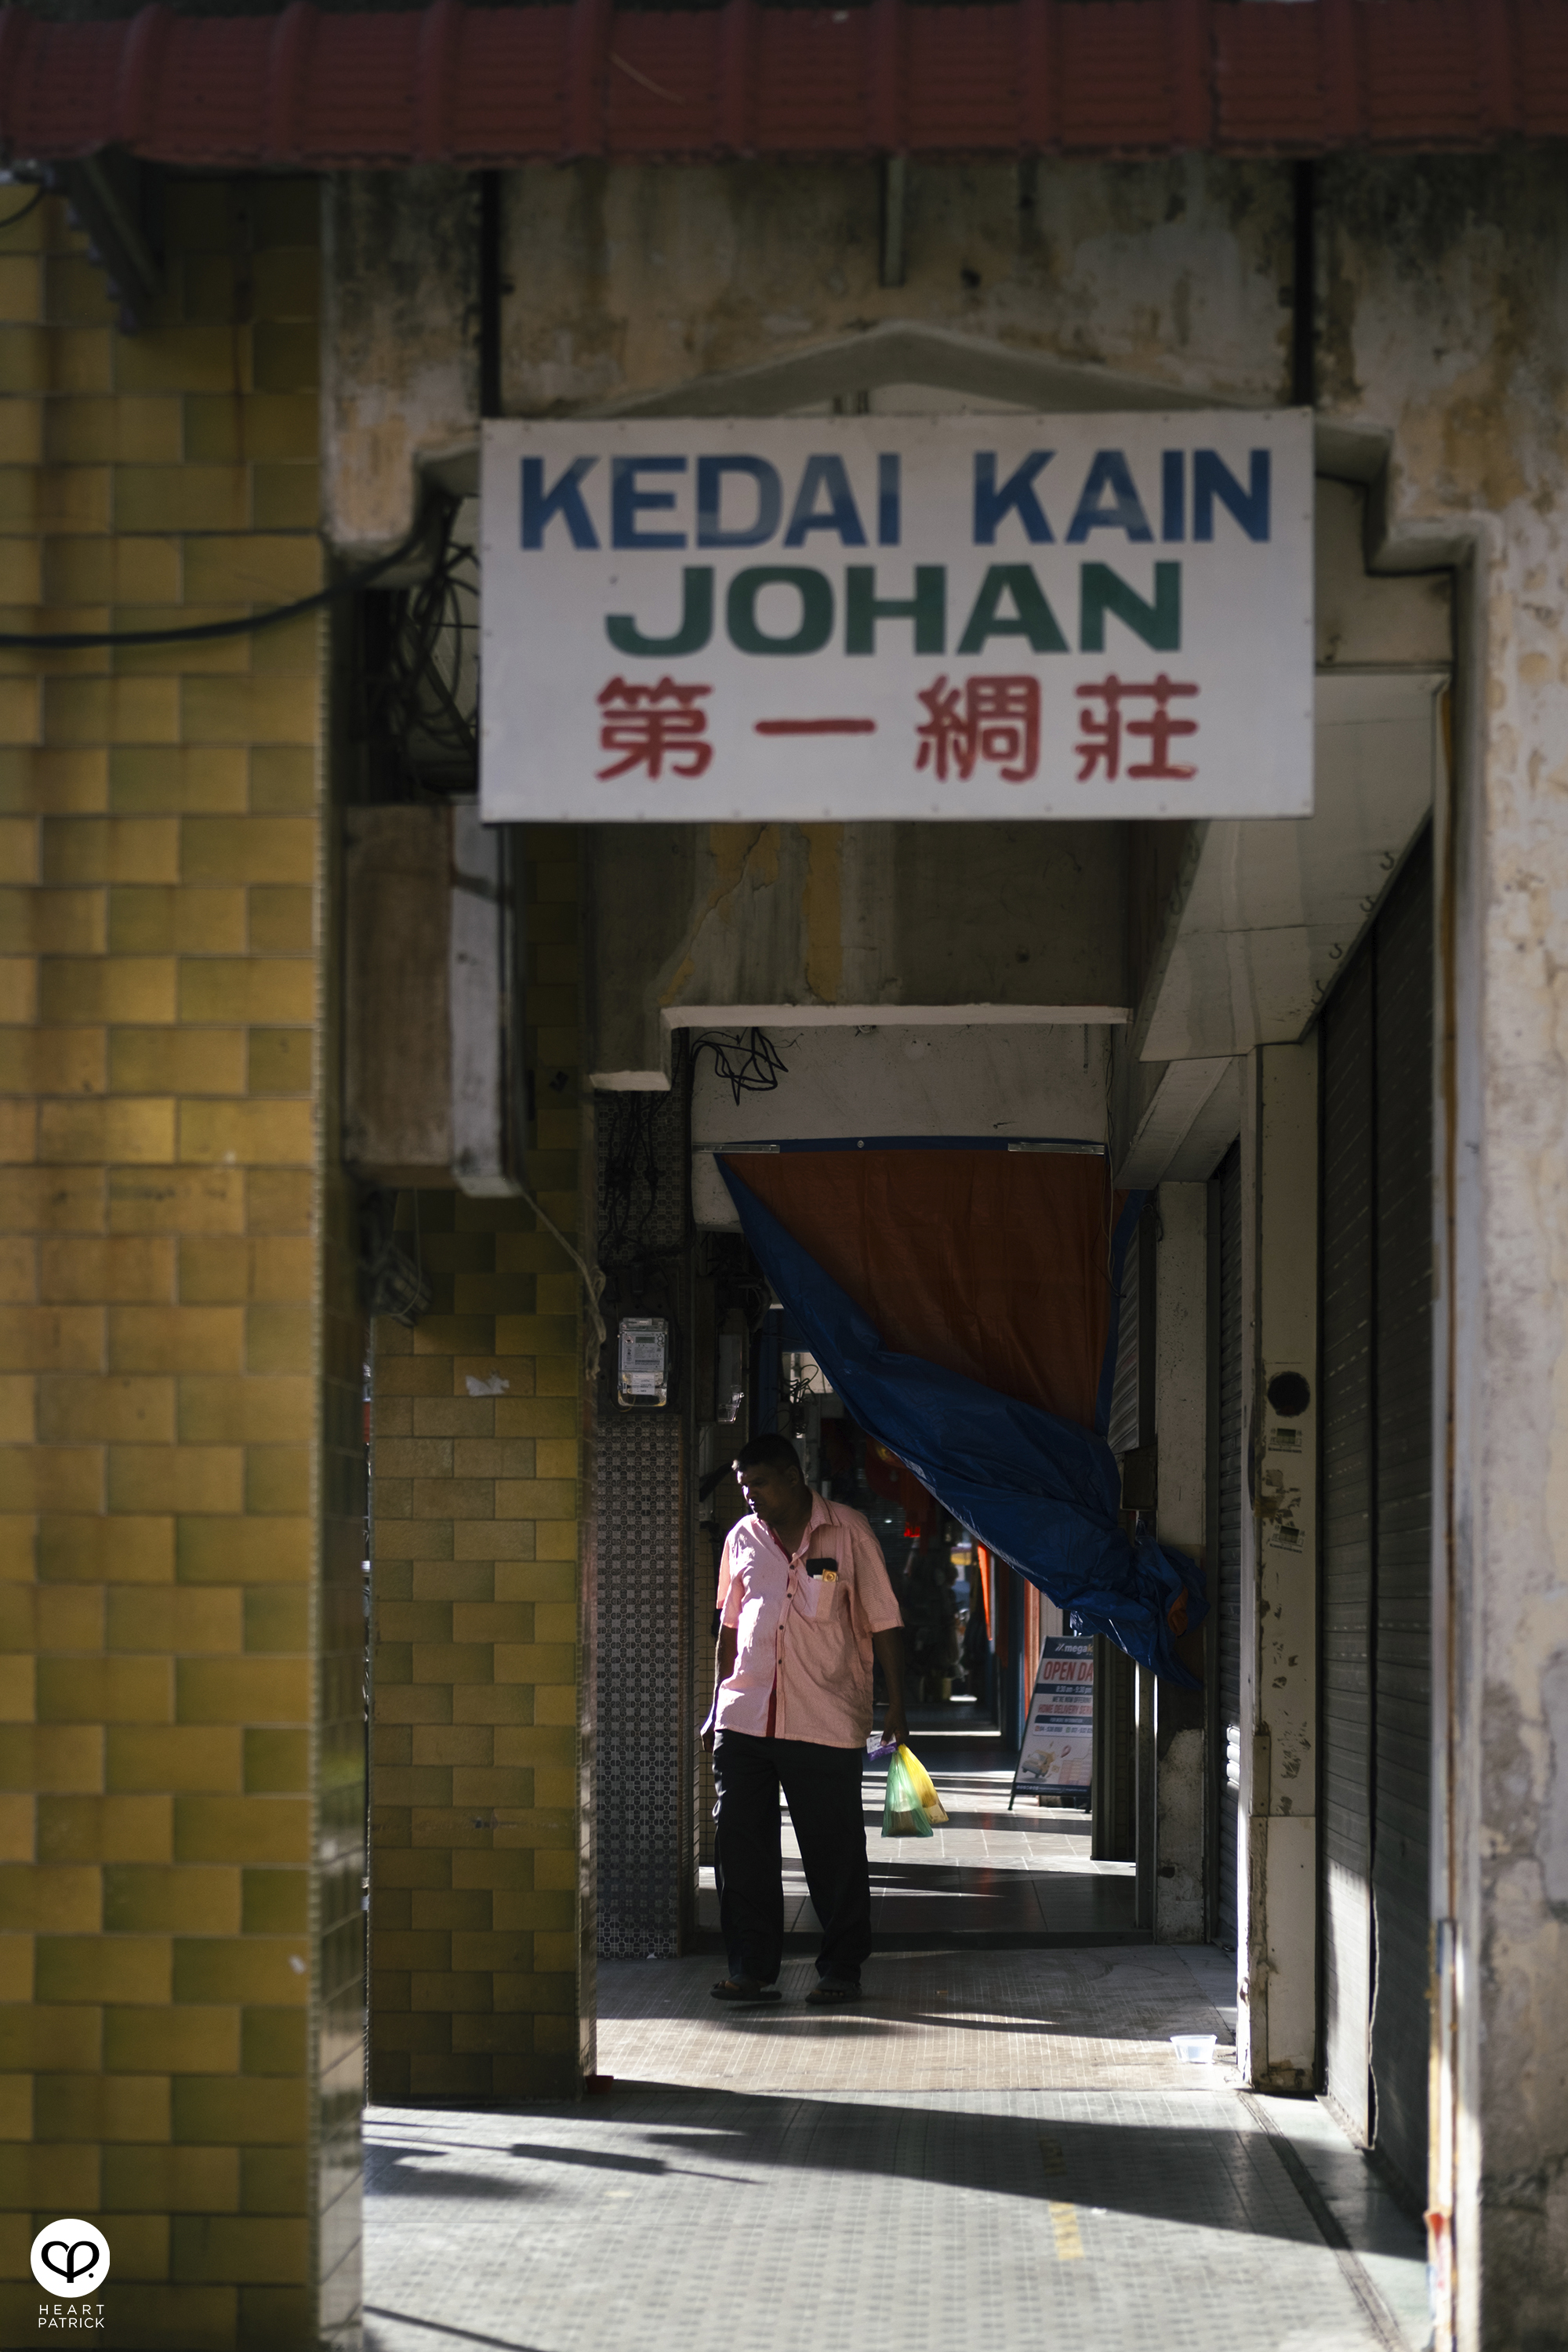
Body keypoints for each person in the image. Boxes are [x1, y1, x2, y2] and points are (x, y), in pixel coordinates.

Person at [702, 1431, 907, 2007]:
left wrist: (898, 1708)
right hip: (744, 1719)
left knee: (833, 1850)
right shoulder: (742, 1537)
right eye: (744, 1486)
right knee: (740, 1849)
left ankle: (841, 1968)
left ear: (793, 1478)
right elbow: (729, 1627)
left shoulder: (848, 1531)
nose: (751, 1496)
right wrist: (715, 1705)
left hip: (825, 1717)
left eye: (759, 1483)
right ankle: (750, 1970)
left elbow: (885, 1619)